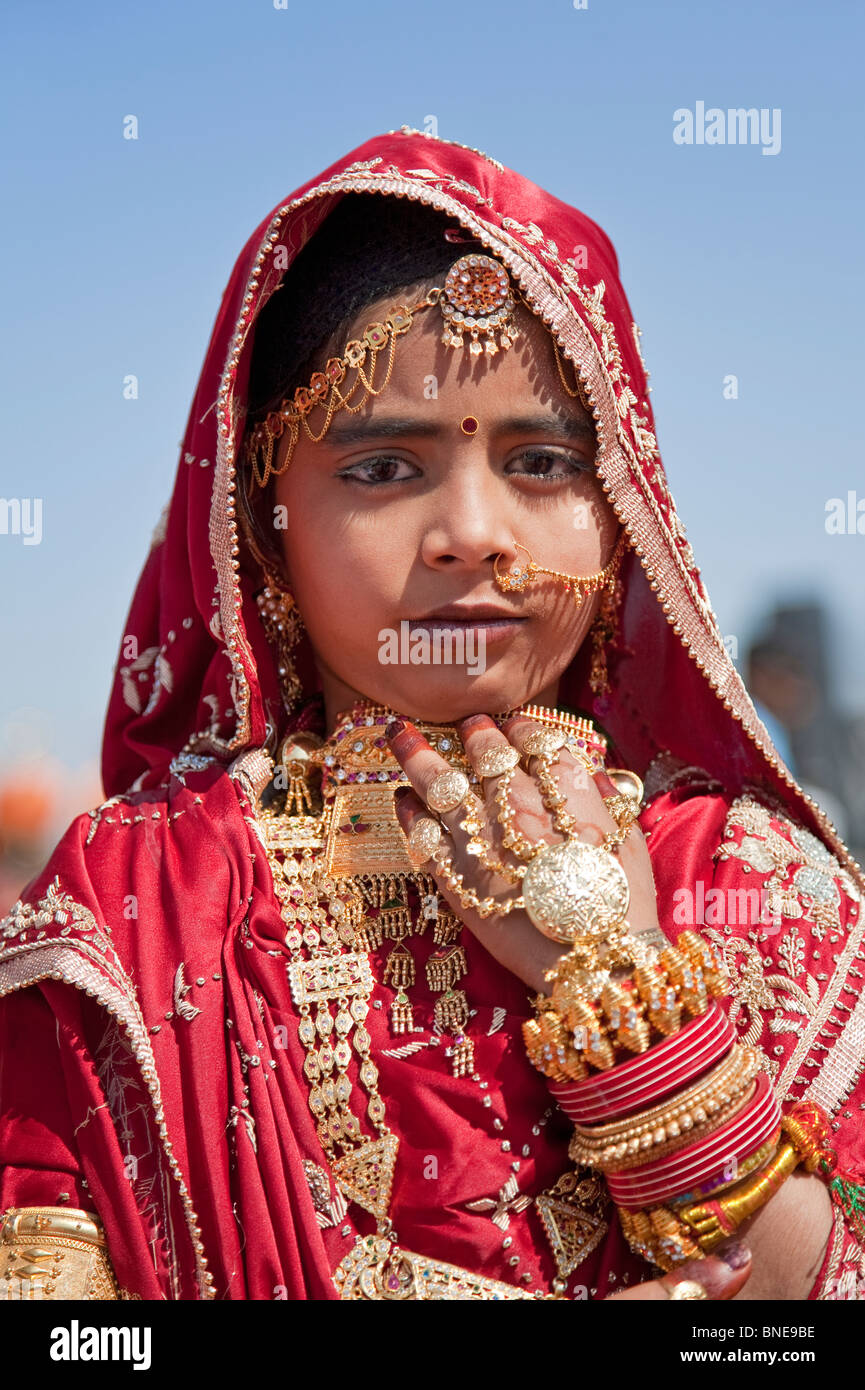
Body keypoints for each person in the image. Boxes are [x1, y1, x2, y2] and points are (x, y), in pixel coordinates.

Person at [1, 128, 863, 1303]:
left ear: (621, 513)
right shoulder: (142, 904)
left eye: (544, 462)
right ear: (265, 528)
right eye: (380, 470)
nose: (475, 532)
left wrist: (632, 1007)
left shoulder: (747, 882)